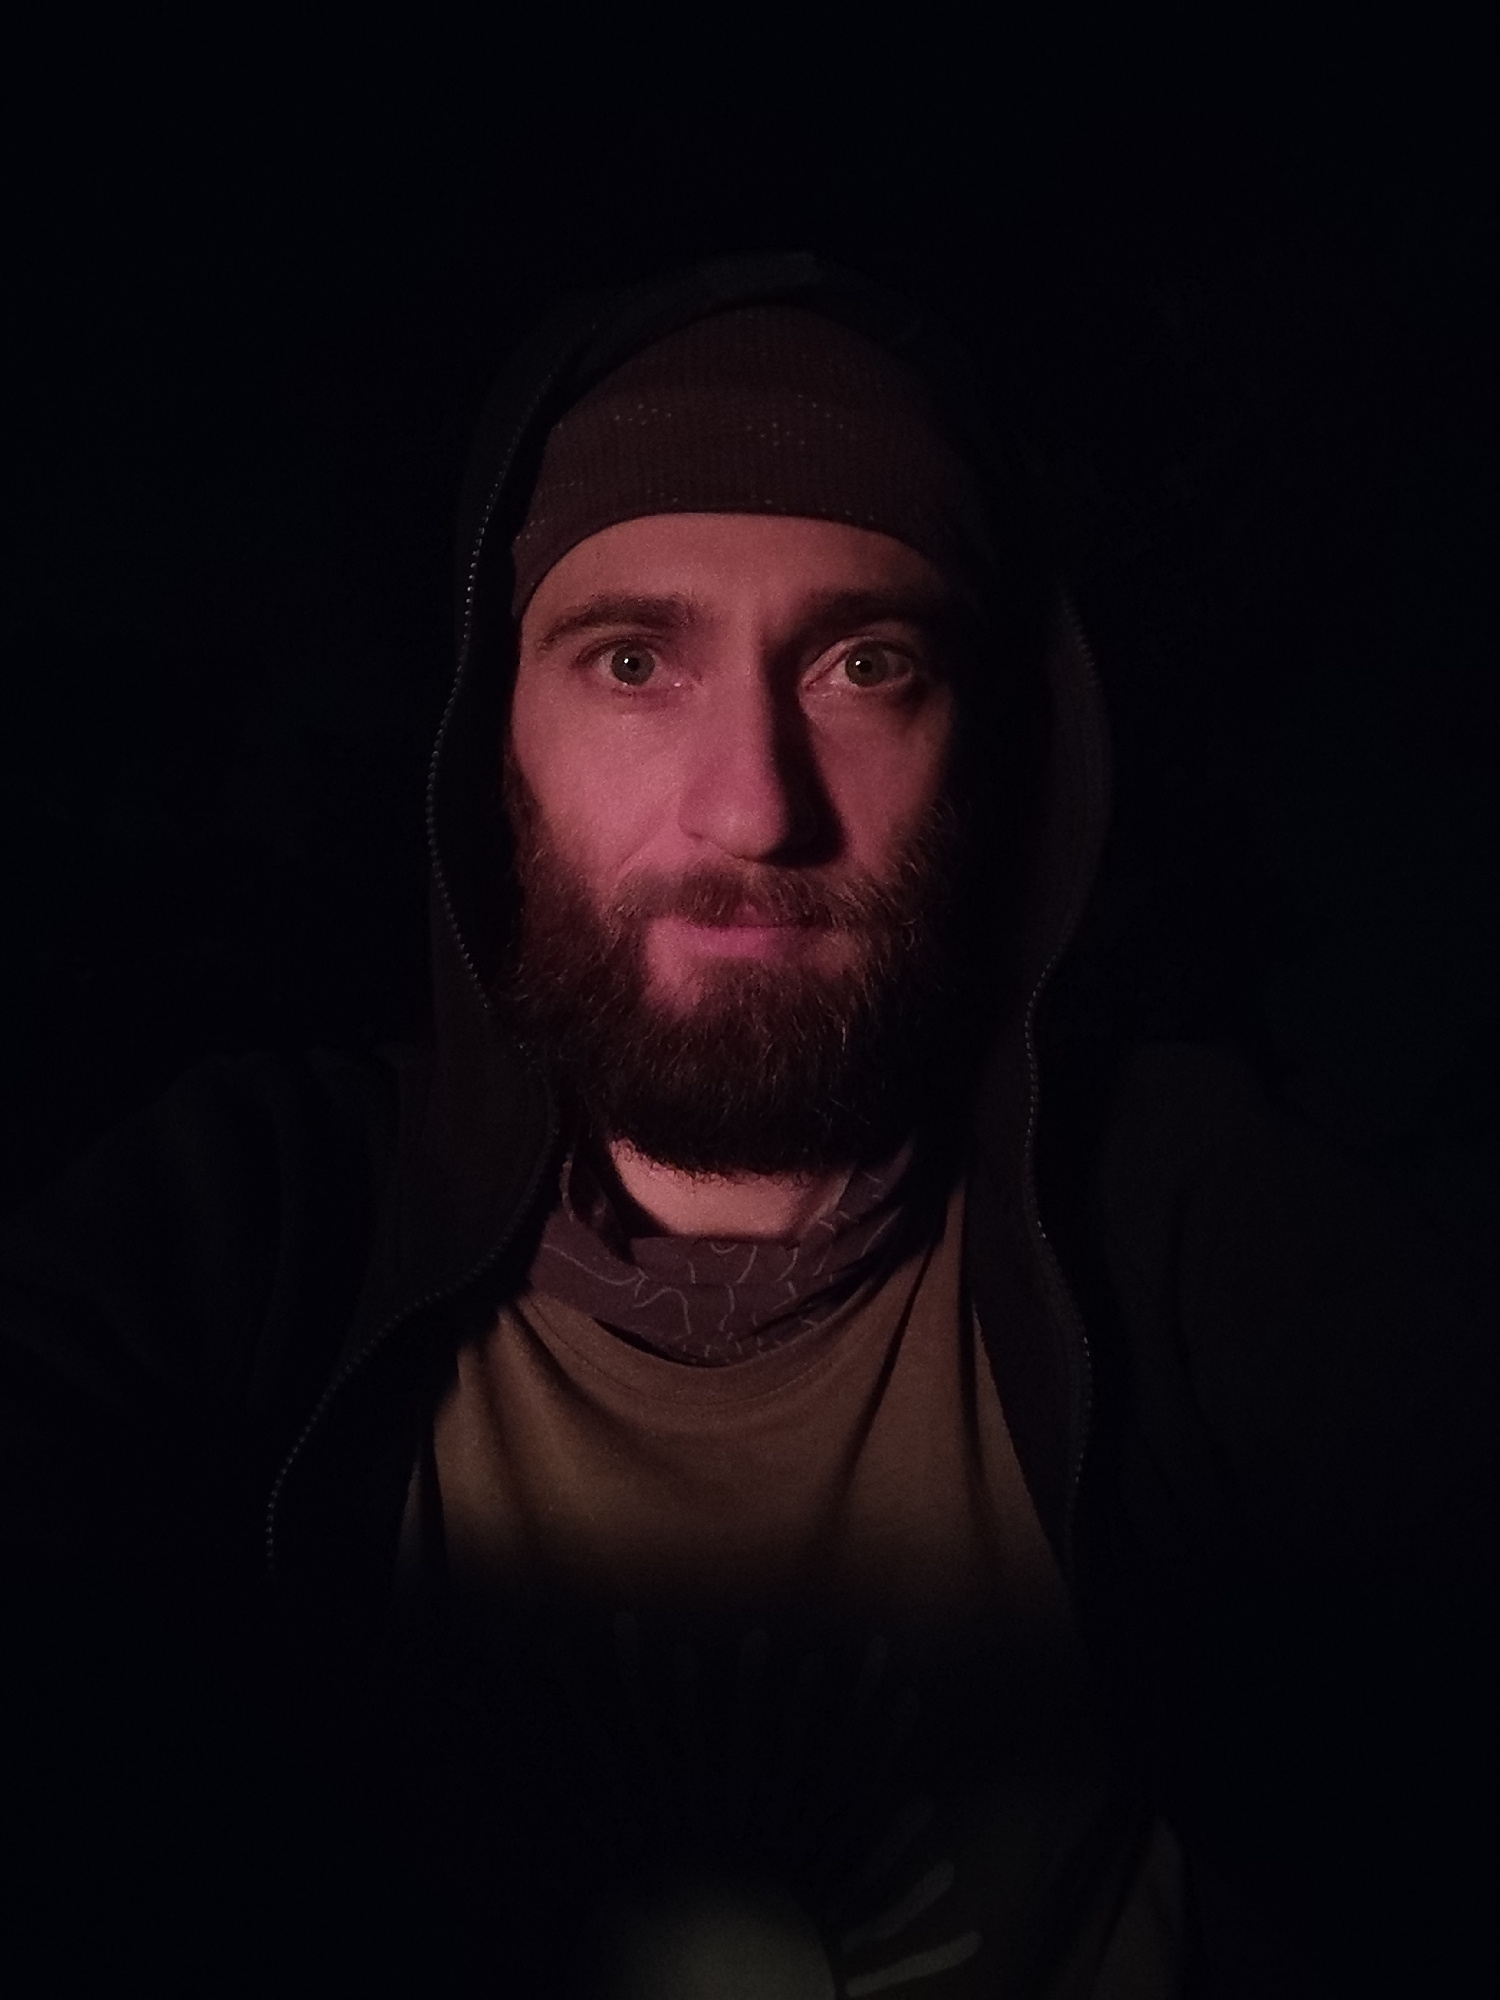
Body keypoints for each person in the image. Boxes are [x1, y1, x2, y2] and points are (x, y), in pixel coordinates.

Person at [3, 252, 1490, 1996]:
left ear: (989, 751)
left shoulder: (1179, 1223)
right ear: (495, 746)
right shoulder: (248, 1226)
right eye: (634, 661)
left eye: (866, 663)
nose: (754, 806)